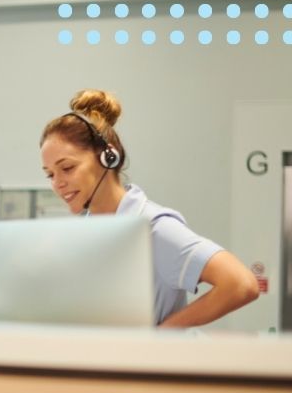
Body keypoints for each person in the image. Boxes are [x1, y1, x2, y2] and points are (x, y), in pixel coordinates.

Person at [40, 89, 259, 327]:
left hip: (141, 363)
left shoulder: (153, 228)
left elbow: (240, 284)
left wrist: (163, 334)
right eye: (50, 174)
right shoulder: (84, 233)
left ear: (107, 156)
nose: (57, 183)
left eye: (68, 168)